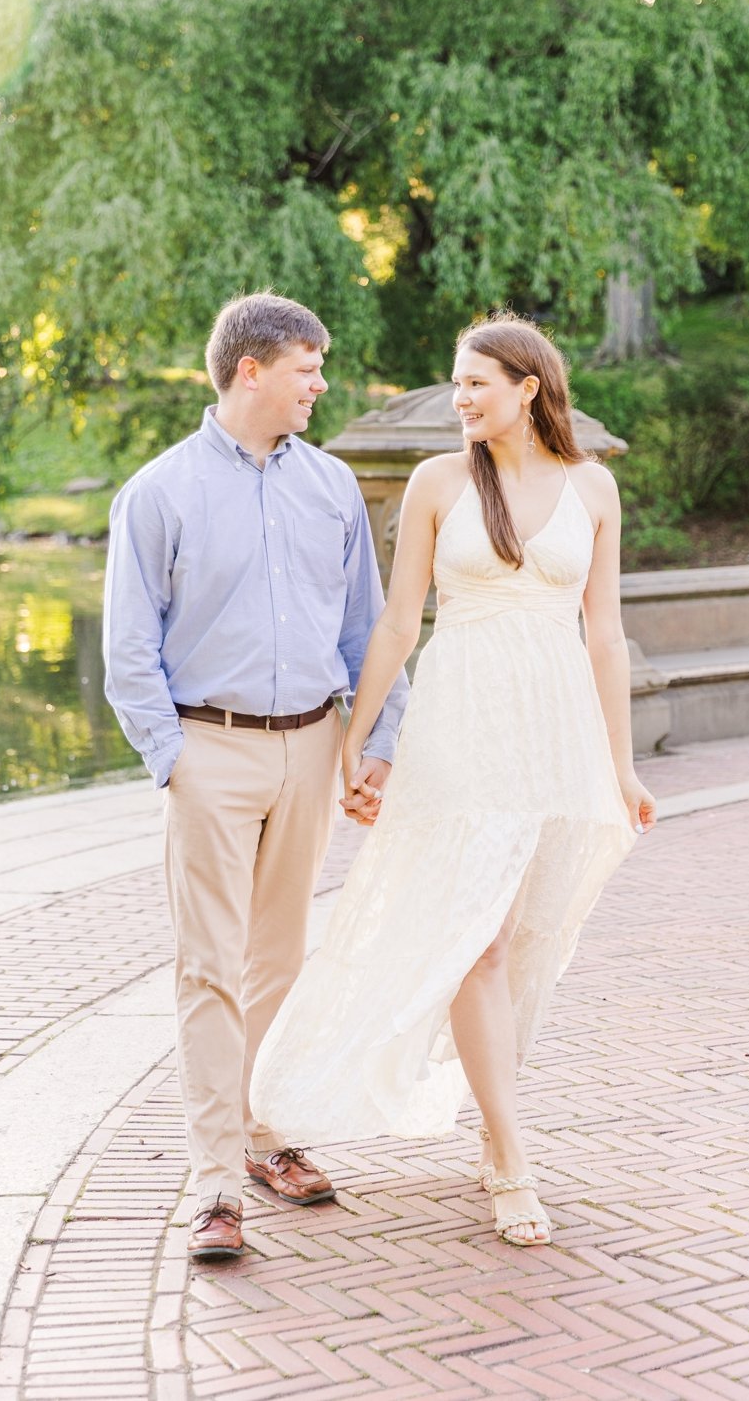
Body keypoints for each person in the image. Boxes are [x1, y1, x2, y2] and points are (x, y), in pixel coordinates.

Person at [252, 311, 656, 1248]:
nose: (461, 397)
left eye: (476, 382)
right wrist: (360, 735)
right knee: (472, 941)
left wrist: (621, 760)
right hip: (462, 725)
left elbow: (604, 633)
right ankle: (509, 1156)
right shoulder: (438, 483)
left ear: (529, 388)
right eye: (457, 381)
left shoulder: (594, 489)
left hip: (551, 730)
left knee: (514, 944)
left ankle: (494, 1125)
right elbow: (397, 624)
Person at [102, 291, 408, 1260]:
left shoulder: (331, 489)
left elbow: (366, 632)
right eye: (308, 368)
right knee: (208, 966)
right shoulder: (158, 492)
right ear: (251, 371)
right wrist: (174, 759)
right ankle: (215, 1184)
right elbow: (127, 648)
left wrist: (375, 741)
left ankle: (264, 1131)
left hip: (312, 746)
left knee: (278, 959)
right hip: (211, 750)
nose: (321, 383)